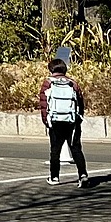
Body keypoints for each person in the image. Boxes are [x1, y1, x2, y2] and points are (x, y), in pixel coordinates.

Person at [39, 58, 89, 186]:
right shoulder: (72, 83)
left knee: (55, 150)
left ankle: (54, 177)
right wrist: (78, 119)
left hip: (55, 122)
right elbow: (80, 102)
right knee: (76, 149)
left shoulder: (48, 83)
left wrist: (46, 121)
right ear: (64, 69)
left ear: (51, 69)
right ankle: (82, 175)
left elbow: (44, 104)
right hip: (72, 122)